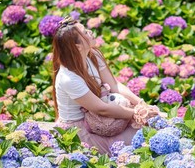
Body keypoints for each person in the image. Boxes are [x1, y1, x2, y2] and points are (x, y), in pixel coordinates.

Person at [51, 18, 149, 154]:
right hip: (78, 130)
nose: (90, 32)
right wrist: (137, 114)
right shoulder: (68, 78)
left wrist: (142, 105)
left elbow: (114, 85)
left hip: (100, 119)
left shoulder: (92, 55)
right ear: (77, 46)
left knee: (146, 128)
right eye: (85, 32)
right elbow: (101, 109)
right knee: (142, 136)